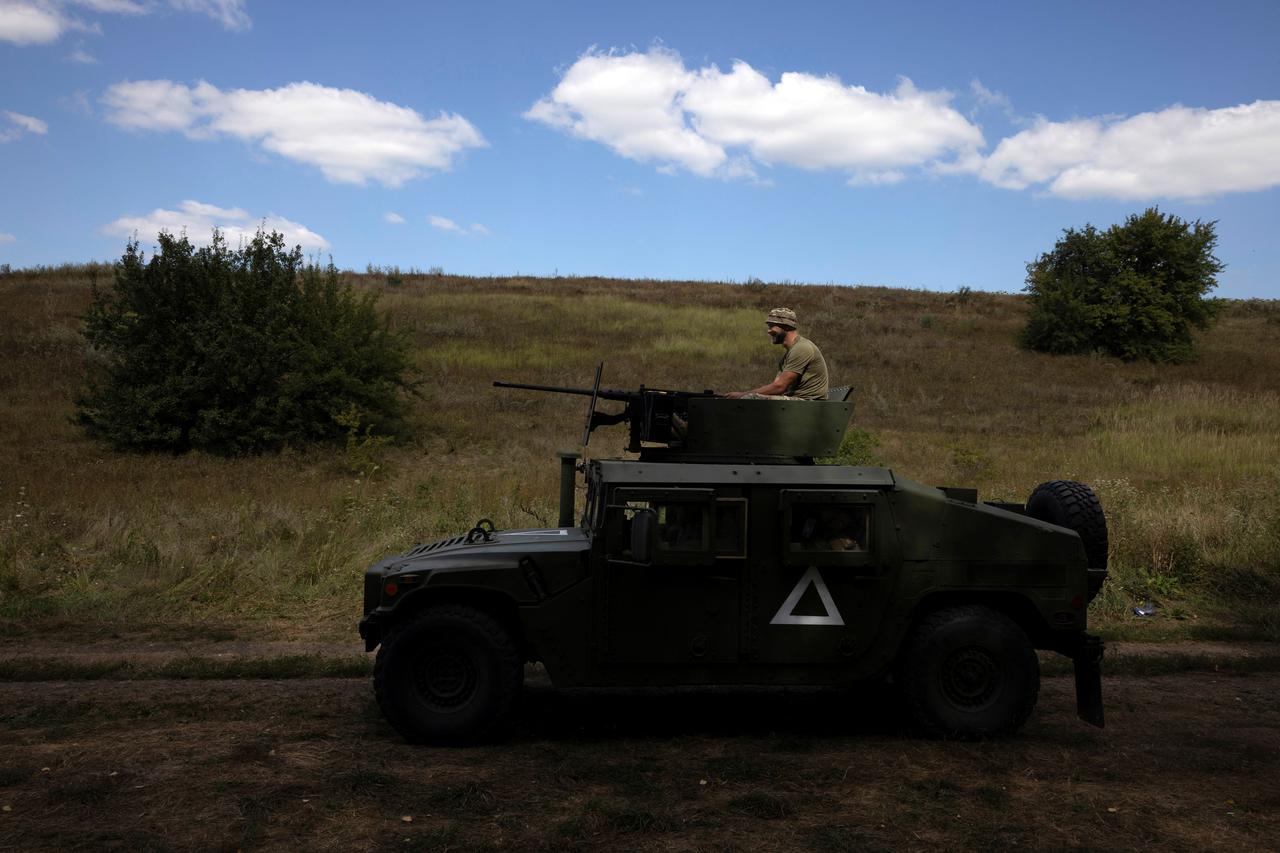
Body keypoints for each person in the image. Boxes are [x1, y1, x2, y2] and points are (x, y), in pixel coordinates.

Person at [725, 308, 829, 400]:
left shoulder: (802, 348)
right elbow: (776, 387)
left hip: (808, 403)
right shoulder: (789, 354)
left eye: (772, 326)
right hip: (797, 401)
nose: (769, 331)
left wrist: (742, 394)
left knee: (750, 398)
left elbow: (780, 387)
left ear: (787, 327)